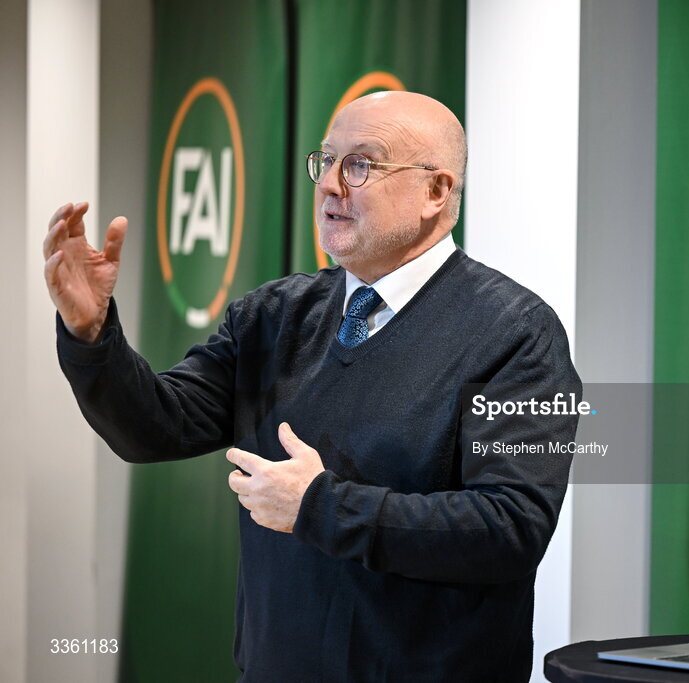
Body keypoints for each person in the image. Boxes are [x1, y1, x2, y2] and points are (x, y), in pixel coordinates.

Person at [44, 91, 581, 682]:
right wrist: (91, 335)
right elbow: (155, 427)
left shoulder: (518, 333)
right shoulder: (274, 316)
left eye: (360, 165)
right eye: (325, 162)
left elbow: (510, 527)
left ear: (436, 191)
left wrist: (321, 506)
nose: (329, 185)